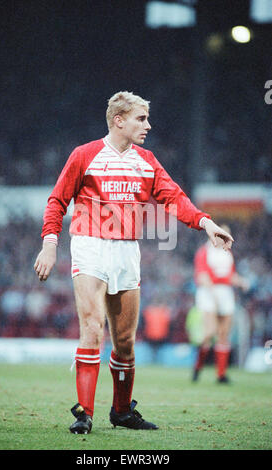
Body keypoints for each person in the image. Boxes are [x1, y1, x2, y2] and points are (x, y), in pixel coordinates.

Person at [34, 91, 234, 434]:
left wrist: (206, 224)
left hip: (127, 250)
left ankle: (122, 411)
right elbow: (57, 201)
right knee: (93, 326)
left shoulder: (147, 160)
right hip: (90, 244)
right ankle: (85, 414)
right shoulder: (85, 155)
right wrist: (49, 245)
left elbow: (175, 197)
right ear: (119, 120)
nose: (148, 125)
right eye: (141, 119)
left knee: (124, 340)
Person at [192, 225, 249, 384]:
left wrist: (241, 282)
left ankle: (221, 374)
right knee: (209, 333)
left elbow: (230, 276)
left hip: (225, 292)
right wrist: (214, 294)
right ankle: (198, 367)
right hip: (208, 292)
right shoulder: (204, 251)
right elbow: (202, 276)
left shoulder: (227, 253)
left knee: (224, 334)